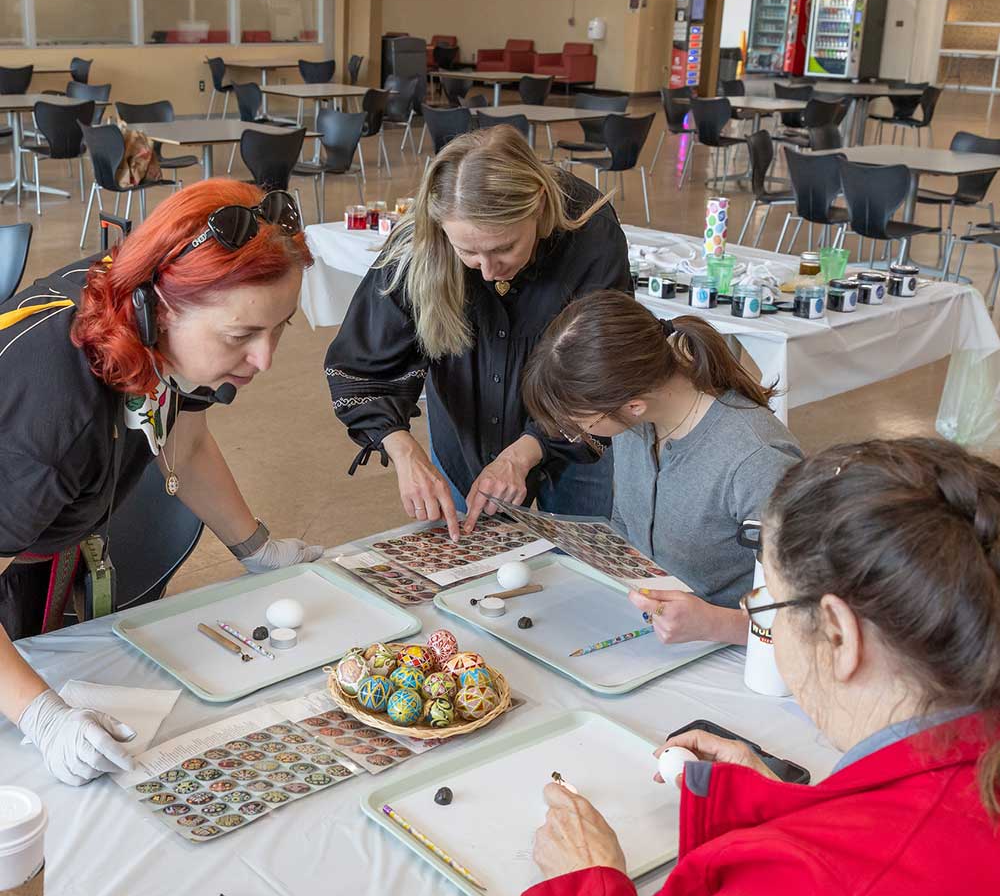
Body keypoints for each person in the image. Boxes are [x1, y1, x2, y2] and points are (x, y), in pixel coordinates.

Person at [523, 437, 1000, 896]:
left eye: (768, 603)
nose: (760, 619)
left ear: (838, 634)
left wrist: (588, 887)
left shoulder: (828, 883)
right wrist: (774, 806)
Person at [0, 179, 322, 786]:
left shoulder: (143, 308)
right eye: (241, 336)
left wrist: (257, 549)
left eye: (280, 326)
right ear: (163, 310)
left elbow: (184, 438)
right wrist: (41, 716)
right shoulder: (52, 423)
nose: (266, 359)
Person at [324, 125, 631, 541]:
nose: (487, 270)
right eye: (467, 252)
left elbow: (604, 368)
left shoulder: (590, 233)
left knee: (581, 560)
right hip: (462, 430)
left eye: (504, 248)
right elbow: (360, 368)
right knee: (465, 559)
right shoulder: (420, 243)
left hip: (572, 430)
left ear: (538, 208)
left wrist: (526, 451)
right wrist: (404, 452)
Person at [522, 291, 802, 645]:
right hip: (652, 634)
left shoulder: (756, 459)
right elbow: (628, 526)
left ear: (633, 405)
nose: (576, 435)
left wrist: (716, 623)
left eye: (579, 426)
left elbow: (811, 613)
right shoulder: (636, 423)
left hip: (739, 656)